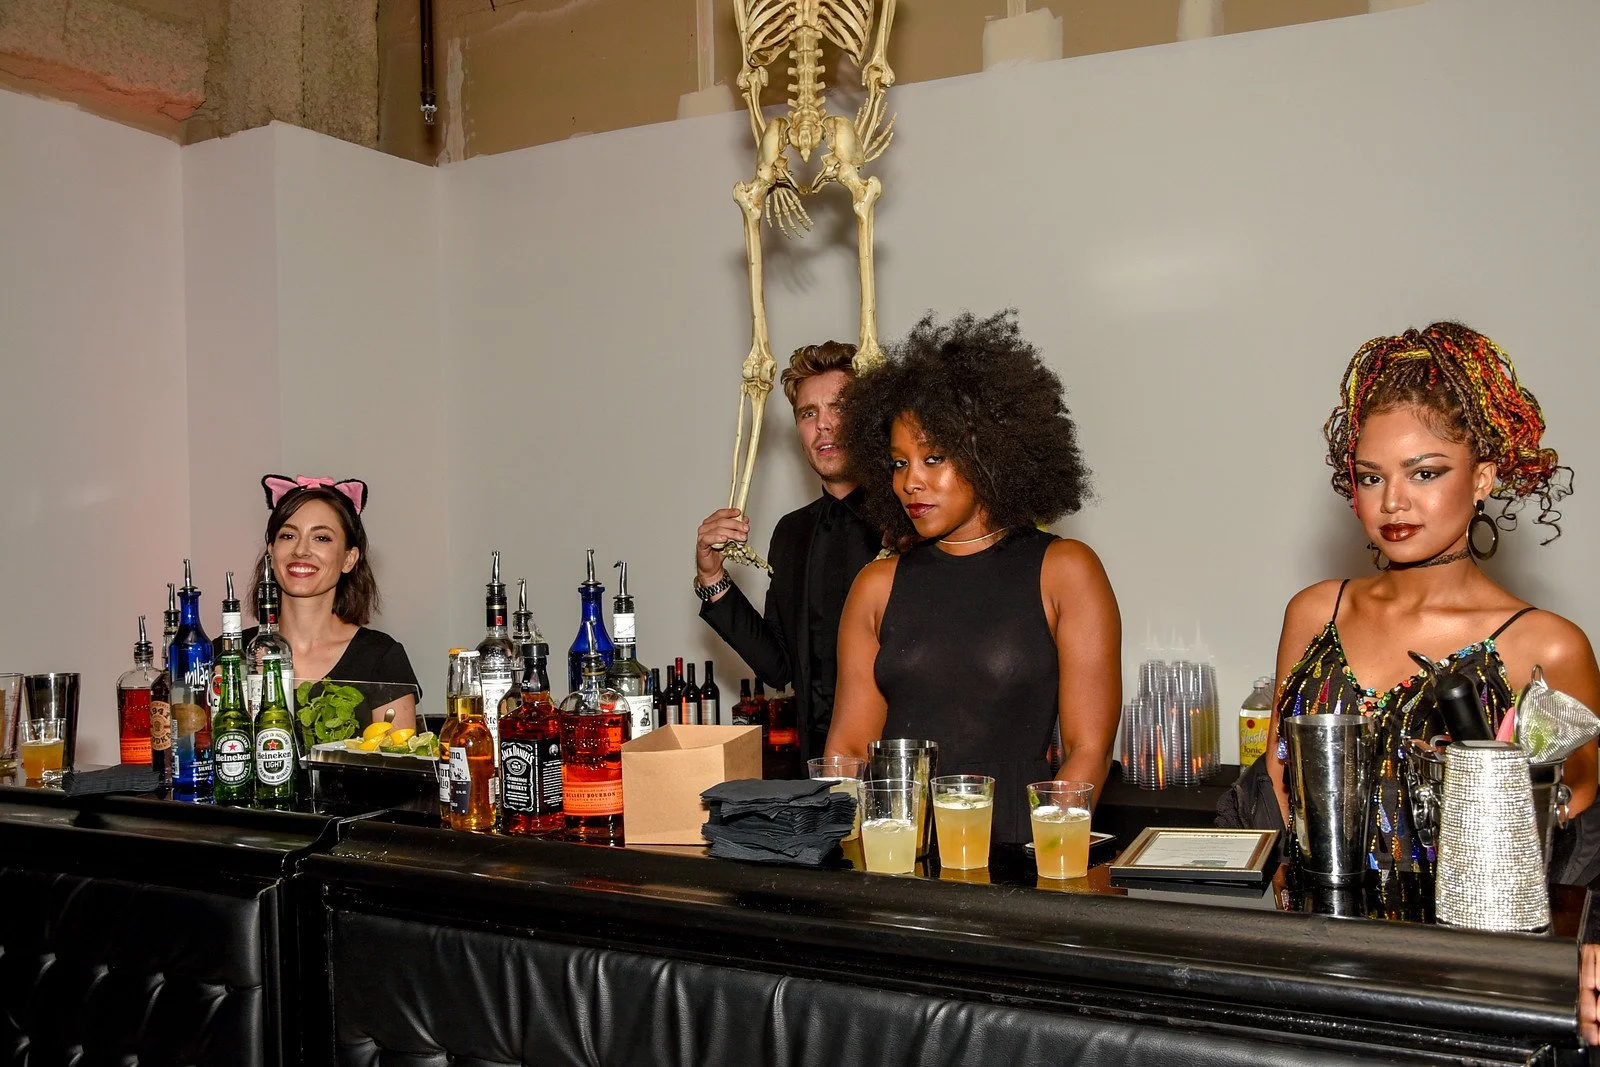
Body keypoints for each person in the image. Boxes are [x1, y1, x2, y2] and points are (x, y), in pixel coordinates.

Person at [1258, 323, 1598, 904]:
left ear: (1483, 478)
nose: (1392, 501)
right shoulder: (1316, 612)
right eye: (1372, 477)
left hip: (1464, 955)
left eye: (1424, 473)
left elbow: (1571, 819)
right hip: (1315, 932)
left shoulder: (1546, 645)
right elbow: (1279, 776)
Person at [824, 310, 1122, 844]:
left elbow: (1088, 750)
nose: (911, 482)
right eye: (897, 463)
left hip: (1020, 857)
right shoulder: (878, 587)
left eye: (933, 458)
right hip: (900, 860)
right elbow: (848, 750)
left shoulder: (1064, 571)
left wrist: (1044, 856)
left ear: (988, 454)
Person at [696, 342, 883, 759]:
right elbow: (779, 666)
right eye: (809, 413)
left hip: (899, 769)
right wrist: (712, 577)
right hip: (815, 772)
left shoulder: (908, 525)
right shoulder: (791, 532)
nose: (824, 426)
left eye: (840, 407)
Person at [247, 475, 421, 730]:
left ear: (349, 559)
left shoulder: (380, 657)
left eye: (322, 538)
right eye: (288, 536)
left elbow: (397, 763)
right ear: (271, 552)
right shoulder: (229, 655)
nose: (301, 550)